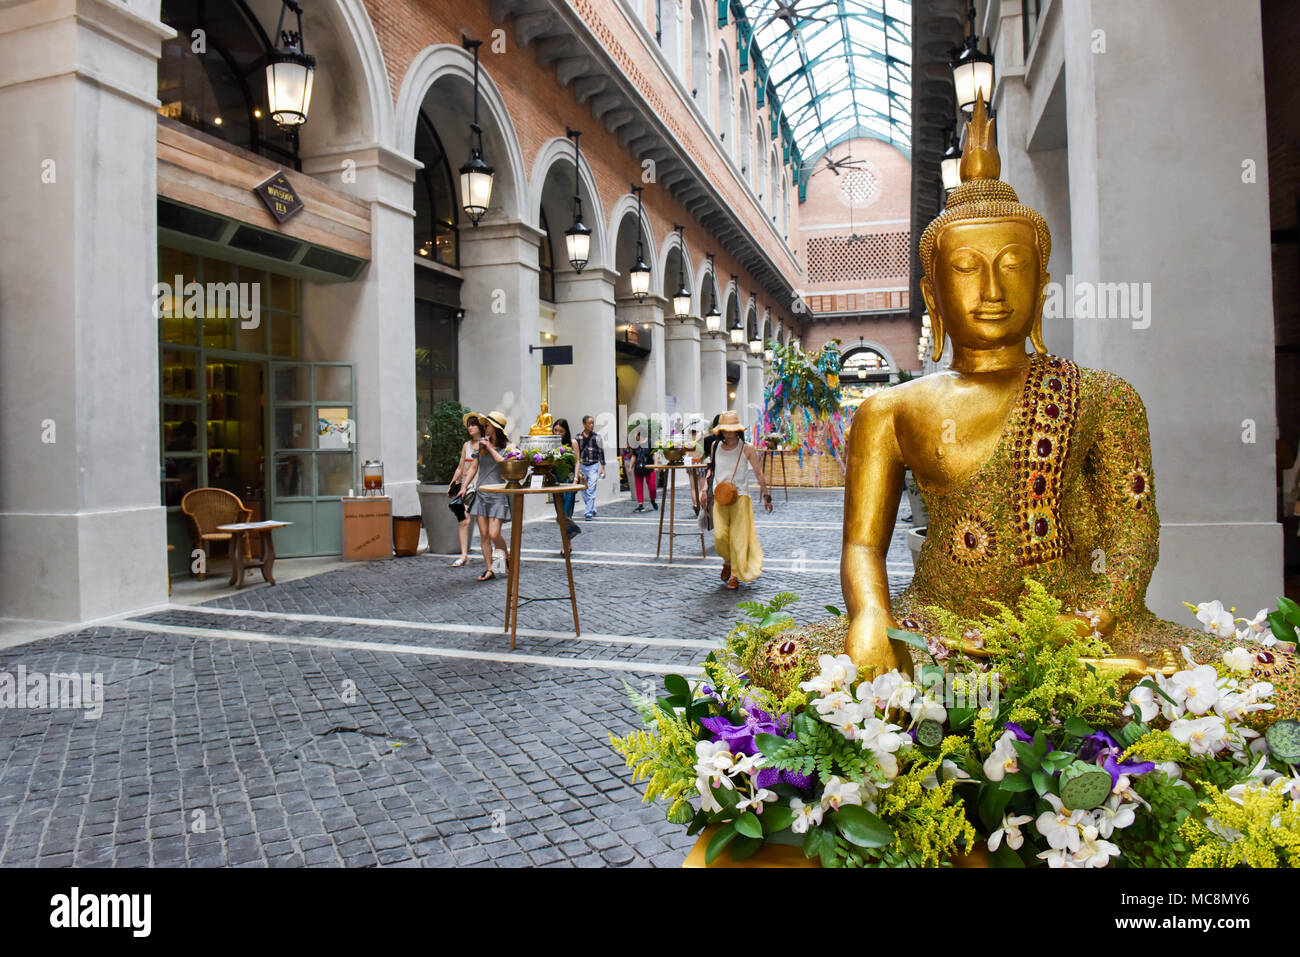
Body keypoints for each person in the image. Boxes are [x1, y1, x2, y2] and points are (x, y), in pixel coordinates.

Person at [705, 410, 772, 590]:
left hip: (740, 497)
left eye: (731, 429)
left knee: (738, 539)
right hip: (720, 496)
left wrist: (766, 495)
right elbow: (711, 469)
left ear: (738, 430)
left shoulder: (747, 448)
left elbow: (758, 472)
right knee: (720, 536)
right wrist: (705, 488)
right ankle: (727, 560)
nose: (728, 432)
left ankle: (735, 573)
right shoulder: (715, 447)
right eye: (725, 429)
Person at [468, 411, 512, 581]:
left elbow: (503, 464)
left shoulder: (508, 447)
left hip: (499, 494)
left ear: (495, 428)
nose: (483, 428)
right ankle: (491, 569)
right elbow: (473, 467)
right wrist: (464, 487)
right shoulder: (481, 445)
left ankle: (505, 559)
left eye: (486, 425)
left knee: (494, 534)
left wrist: (490, 449)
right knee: (484, 534)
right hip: (481, 493)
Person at [446, 412, 482, 566]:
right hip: (465, 487)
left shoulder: (485, 444)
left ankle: (493, 554)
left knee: (483, 524)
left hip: (480, 486)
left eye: (473, 424)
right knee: (464, 520)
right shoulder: (466, 445)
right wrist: (453, 482)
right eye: (469, 425)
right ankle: (464, 555)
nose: (470, 428)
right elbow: (460, 467)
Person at [552, 418, 581, 541]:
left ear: (566, 432)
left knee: (565, 514)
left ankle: (567, 543)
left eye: (561, 431)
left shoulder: (572, 443)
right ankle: (567, 542)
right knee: (561, 514)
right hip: (556, 482)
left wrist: (575, 479)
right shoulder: (551, 444)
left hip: (569, 482)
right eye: (555, 430)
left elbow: (577, 461)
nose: (557, 434)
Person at [577, 415, 605, 520]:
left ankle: (588, 512)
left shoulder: (597, 437)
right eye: (589, 423)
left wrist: (603, 468)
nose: (592, 425)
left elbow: (601, 452)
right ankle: (592, 507)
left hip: (593, 465)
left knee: (591, 489)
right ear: (584, 424)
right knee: (583, 489)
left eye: (593, 423)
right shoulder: (578, 437)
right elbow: (576, 453)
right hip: (582, 465)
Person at [627, 428, 658, 512]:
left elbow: (655, 454)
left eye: (635, 434)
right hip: (638, 467)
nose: (634, 436)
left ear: (639, 434)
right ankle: (640, 504)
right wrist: (630, 467)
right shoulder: (635, 444)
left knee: (652, 486)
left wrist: (656, 465)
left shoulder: (650, 442)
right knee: (639, 486)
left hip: (649, 467)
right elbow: (634, 456)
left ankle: (653, 499)